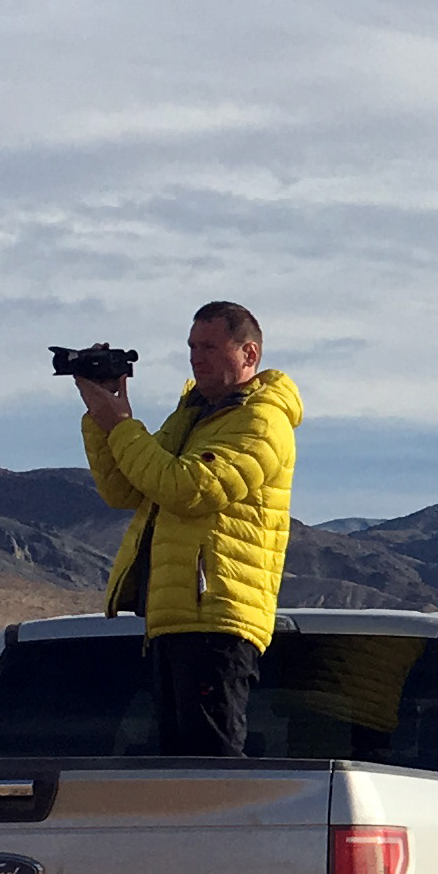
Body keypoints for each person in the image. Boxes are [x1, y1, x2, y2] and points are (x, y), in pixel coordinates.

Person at [77, 301, 302, 757]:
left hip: (217, 617)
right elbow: (124, 489)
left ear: (249, 354)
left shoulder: (261, 421)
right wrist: (104, 418)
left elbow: (190, 489)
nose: (197, 358)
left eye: (210, 347)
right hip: (176, 618)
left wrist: (120, 424)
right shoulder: (192, 416)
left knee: (209, 767)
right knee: (184, 769)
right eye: (192, 347)